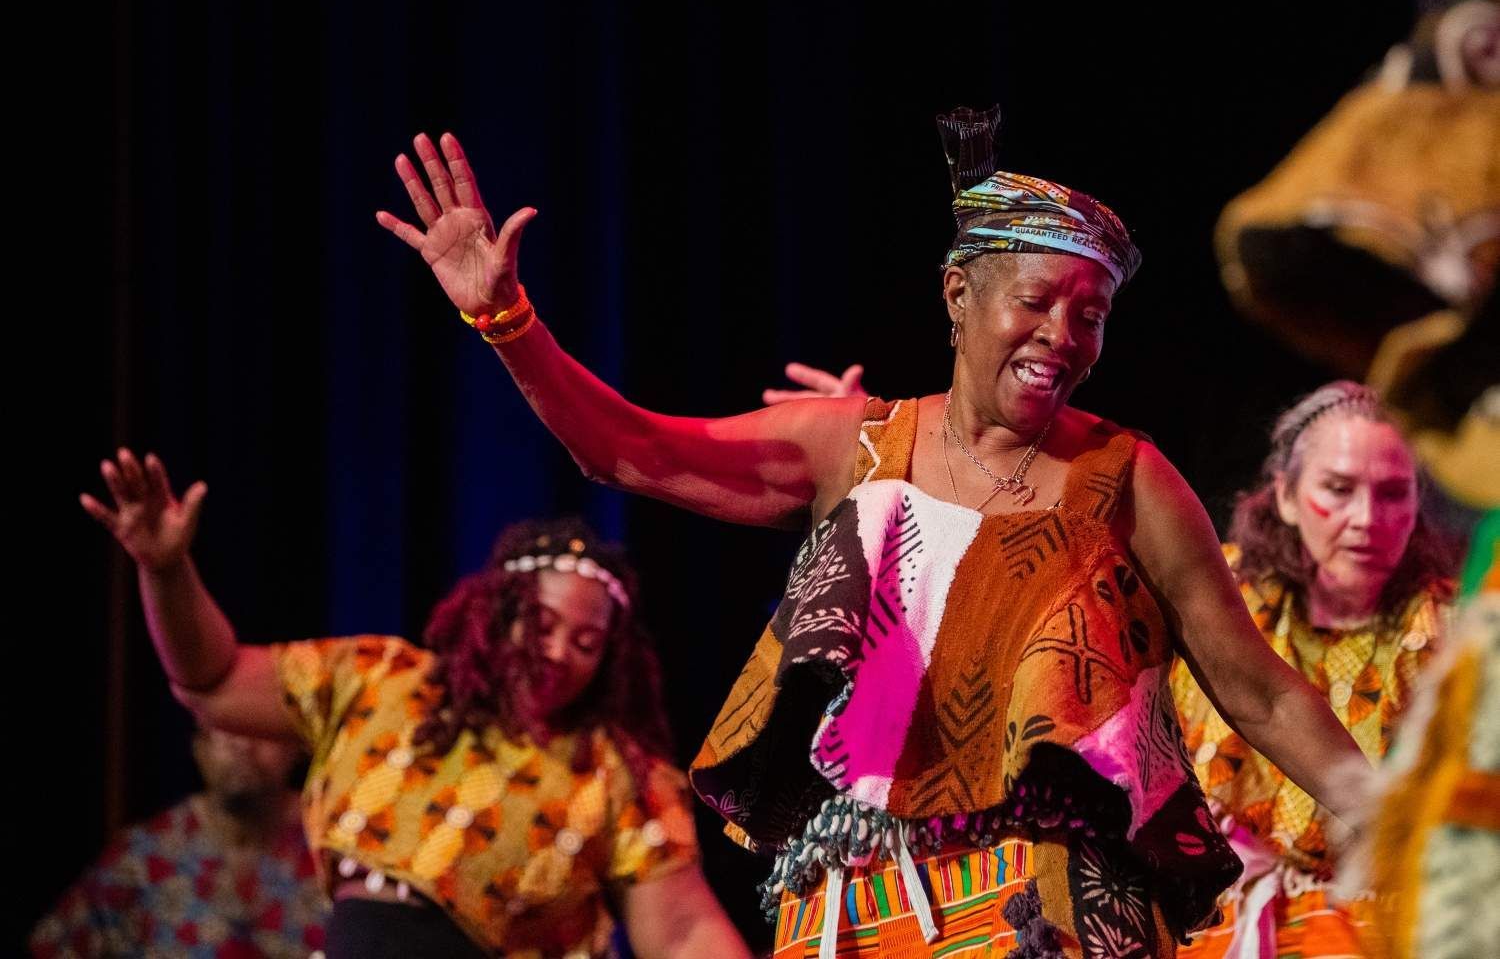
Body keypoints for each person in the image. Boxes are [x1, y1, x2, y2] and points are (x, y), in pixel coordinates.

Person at [374, 109, 1373, 958]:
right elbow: (628, 450)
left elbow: (1256, 684)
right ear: (957, 296)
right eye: (1037, 301)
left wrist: (1381, 810)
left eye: (1092, 314)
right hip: (853, 903)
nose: (1064, 339)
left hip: (1051, 905)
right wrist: (508, 318)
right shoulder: (852, 446)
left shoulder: (1128, 474)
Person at [79, 454, 750, 959]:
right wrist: (165, 570)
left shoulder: (613, 769)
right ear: (496, 614)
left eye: (586, 641)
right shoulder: (382, 679)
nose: (559, 652)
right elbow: (212, 680)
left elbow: (684, 931)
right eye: (541, 624)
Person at [1167, 382, 1455, 958]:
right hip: (1217, 923)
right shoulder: (1219, 603)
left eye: (1393, 492)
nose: (1367, 519)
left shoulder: (1457, 634)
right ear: (1289, 497)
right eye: (1338, 489)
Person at [29, 728, 325, 959]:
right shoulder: (144, 857)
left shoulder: (333, 846)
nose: (241, 745)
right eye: (223, 729)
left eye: (257, 729)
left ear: (297, 744)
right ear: (200, 748)